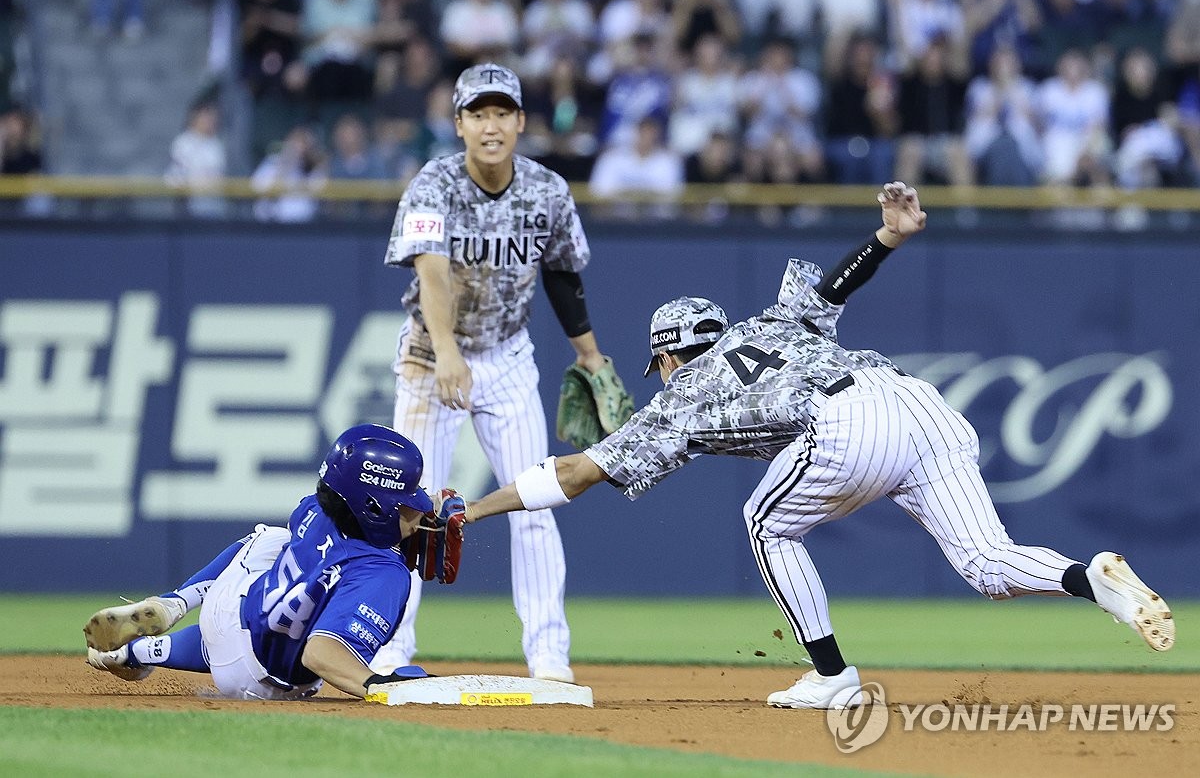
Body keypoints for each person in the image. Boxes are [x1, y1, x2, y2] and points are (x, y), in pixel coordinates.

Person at [462, 182, 1177, 709]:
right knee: (990, 564)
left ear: (668, 357)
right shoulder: (772, 322)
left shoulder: (681, 394)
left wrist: (474, 509)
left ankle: (833, 675)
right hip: (917, 402)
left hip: (850, 423)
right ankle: (1096, 581)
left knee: (766, 521)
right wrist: (890, 235)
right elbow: (839, 284)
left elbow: (577, 472)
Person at [374, 63, 624, 683]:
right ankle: (387, 650)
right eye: (477, 114)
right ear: (458, 124)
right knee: (410, 508)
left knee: (534, 502)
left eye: (501, 113)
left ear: (519, 121)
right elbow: (431, 271)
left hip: (509, 359)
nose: (491, 125)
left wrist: (589, 353)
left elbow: (564, 275)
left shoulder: (547, 190)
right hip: (432, 359)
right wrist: (447, 349)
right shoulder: (434, 185)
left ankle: (548, 656)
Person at [84, 425, 440, 700]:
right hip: (268, 688)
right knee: (301, 584)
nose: (421, 508)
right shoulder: (385, 574)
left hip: (230, 619)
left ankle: (172, 608)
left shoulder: (314, 510)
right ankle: (140, 650)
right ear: (374, 507)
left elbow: (348, 520)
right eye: (408, 499)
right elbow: (321, 654)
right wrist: (380, 686)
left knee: (271, 540)